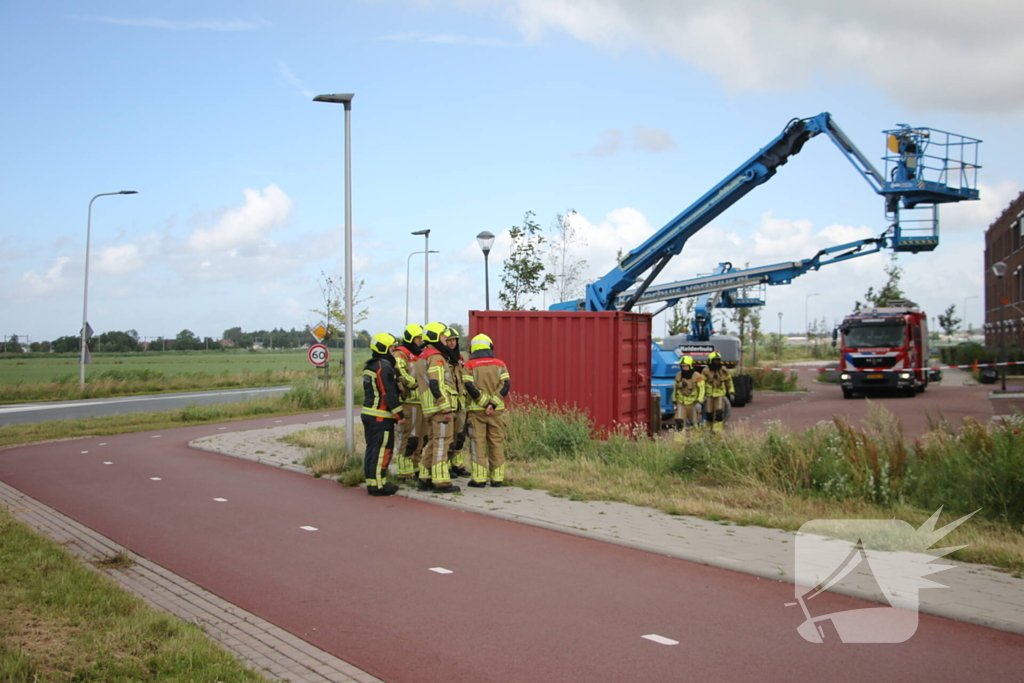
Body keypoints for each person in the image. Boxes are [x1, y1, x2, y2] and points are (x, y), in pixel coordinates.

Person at [415, 322, 460, 493]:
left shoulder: (423, 355)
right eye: (443, 335)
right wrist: (446, 407)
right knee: (442, 443)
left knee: (433, 443)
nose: (445, 338)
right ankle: (441, 482)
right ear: (434, 336)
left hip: (429, 408)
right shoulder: (436, 357)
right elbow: (436, 384)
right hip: (439, 409)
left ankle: (424, 478)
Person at [462, 334, 511, 487]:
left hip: (477, 412)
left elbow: (469, 387)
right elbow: (506, 385)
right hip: (496, 412)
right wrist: (493, 403)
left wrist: (484, 403)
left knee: (478, 444)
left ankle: (479, 479)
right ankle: (497, 479)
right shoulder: (500, 364)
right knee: (496, 443)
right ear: (490, 346)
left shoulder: (468, 366)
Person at [361, 333, 404, 496]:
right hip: (381, 416)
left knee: (372, 449)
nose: (394, 350)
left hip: (369, 414)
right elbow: (388, 392)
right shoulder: (384, 367)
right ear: (385, 348)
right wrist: (399, 414)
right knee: (382, 450)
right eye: (392, 347)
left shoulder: (370, 365)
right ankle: (379, 485)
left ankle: (372, 482)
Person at [392, 324, 425, 480]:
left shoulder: (420, 354)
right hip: (408, 402)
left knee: (421, 438)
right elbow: (399, 371)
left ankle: (416, 467)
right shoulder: (401, 354)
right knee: (408, 438)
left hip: (422, 403)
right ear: (411, 338)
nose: (420, 341)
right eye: (418, 338)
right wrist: (414, 383)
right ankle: (404, 471)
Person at [444, 326, 470, 478]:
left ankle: (457, 464)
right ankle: (446, 465)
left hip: (460, 404)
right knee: (447, 437)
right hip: (447, 405)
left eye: (454, 340)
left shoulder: (459, 359)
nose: (452, 343)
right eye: (449, 340)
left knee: (460, 436)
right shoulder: (441, 359)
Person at [701, 351, 734, 433]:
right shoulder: (705, 371)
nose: (716, 362)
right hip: (709, 395)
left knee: (719, 413)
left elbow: (729, 382)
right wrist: (700, 396)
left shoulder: (724, 371)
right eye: (715, 360)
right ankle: (708, 430)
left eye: (718, 360)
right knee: (709, 414)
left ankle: (717, 431)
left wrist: (731, 392)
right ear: (710, 361)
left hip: (720, 394)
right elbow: (701, 384)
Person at [673, 355, 705, 431]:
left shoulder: (697, 376)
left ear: (690, 366)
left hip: (693, 403)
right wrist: (674, 400)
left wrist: (699, 402)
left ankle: (697, 441)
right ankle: (679, 442)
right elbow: (675, 389)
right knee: (679, 422)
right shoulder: (679, 376)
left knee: (695, 424)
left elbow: (702, 389)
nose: (684, 368)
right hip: (681, 402)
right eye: (682, 366)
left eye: (686, 366)